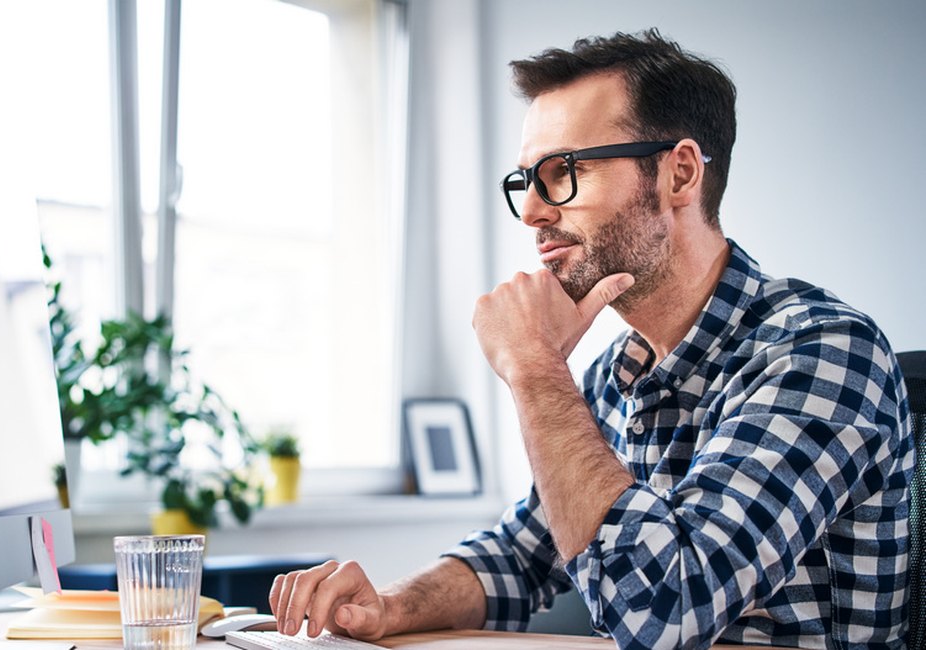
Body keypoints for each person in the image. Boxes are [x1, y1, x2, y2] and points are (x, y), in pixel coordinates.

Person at [269, 29, 913, 648]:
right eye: (527, 180)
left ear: (680, 175)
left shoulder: (823, 352)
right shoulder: (616, 374)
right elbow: (519, 556)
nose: (532, 211)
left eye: (565, 171)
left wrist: (532, 365)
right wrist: (390, 606)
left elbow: (668, 611)